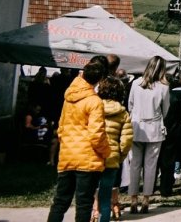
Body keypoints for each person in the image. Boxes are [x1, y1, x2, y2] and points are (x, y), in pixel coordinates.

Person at [47, 59, 110, 222]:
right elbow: (96, 134)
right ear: (100, 79)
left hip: (67, 155)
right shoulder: (95, 101)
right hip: (88, 159)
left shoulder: (68, 97)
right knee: (84, 203)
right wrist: (105, 152)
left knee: (60, 201)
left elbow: (60, 127)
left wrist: (66, 144)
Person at [126, 55, 170, 214]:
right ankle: (146, 199)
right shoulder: (164, 87)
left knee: (135, 165)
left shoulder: (136, 83)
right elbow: (166, 110)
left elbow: (130, 105)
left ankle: (133, 199)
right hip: (154, 127)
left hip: (137, 126)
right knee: (151, 166)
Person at [95, 77, 133, 222]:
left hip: (93, 156)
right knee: (106, 197)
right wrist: (120, 156)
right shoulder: (123, 113)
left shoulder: (94, 108)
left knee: (89, 194)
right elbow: (126, 140)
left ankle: (93, 214)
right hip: (112, 157)